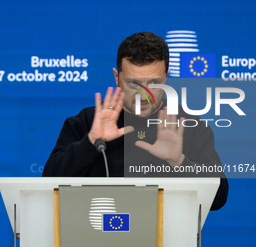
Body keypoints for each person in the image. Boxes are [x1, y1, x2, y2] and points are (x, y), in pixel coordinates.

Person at [42, 32, 228, 210]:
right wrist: (89, 143)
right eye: (134, 84)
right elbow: (48, 183)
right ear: (117, 77)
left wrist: (178, 161)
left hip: (167, 241)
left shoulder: (189, 126)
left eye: (154, 83)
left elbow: (219, 198)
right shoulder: (88, 122)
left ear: (167, 77)